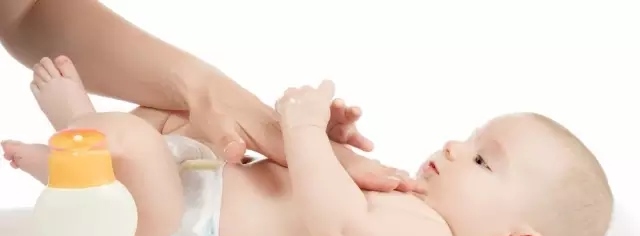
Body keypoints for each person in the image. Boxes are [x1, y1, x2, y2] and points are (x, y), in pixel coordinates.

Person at [2, 58, 613, 236]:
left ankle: (73, 135)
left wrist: (302, 129)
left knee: (133, 146)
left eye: (482, 161)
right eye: (471, 137)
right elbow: (318, 186)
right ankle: (82, 151)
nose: (456, 146)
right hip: (198, 195)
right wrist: (328, 145)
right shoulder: (411, 199)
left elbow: (338, 226)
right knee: (170, 115)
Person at [0, 0, 418, 193]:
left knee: (164, 129)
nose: (449, 148)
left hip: (192, 222)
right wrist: (307, 142)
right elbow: (339, 229)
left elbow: (25, 11)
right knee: (146, 148)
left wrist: (205, 89)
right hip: (194, 222)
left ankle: (79, 134)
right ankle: (80, 135)